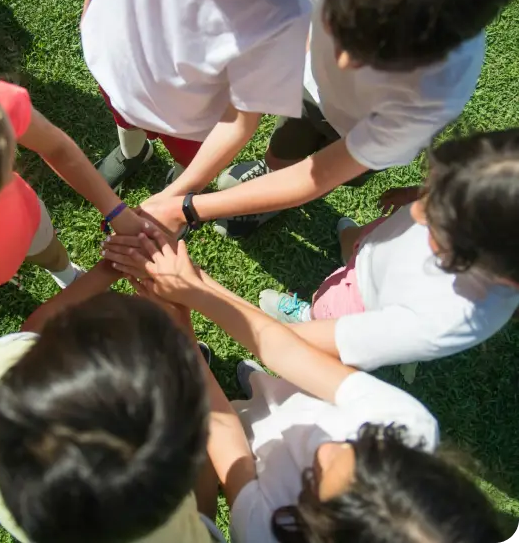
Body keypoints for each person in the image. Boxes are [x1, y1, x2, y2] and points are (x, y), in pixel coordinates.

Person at [101, 227, 506, 543]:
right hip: (289, 395)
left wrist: (177, 324)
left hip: (248, 439)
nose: (327, 448)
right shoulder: (407, 426)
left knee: (241, 415)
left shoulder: (264, 533)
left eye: (313, 478)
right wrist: (194, 288)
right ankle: (255, 387)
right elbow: (287, 352)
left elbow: (227, 439)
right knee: (266, 389)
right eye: (361, 443)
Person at [135, 0, 519, 237]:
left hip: (358, 133)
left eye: (379, 58)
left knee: (313, 174)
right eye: (340, 24)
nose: (343, 61)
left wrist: (186, 208)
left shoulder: (434, 96)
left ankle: (269, 204)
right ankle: (268, 178)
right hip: (309, 94)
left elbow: (316, 177)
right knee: (280, 152)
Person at [0, 260, 226, 543]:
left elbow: (30, 331)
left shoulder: (0, 386)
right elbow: (203, 509)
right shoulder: (181, 537)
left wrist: (109, 269)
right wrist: (186, 342)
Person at [252, 129, 519, 374]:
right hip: (381, 248)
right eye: (434, 192)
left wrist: (266, 335)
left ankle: (307, 317)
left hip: (360, 301)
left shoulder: (447, 318)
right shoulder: (489, 210)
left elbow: (342, 340)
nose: (416, 211)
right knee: (365, 241)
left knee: (325, 307)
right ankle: (352, 246)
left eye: (438, 218)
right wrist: (417, 193)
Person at [0, 51, 145, 331]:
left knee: (51, 253)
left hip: (24, 222)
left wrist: (116, 211)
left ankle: (67, 275)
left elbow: (57, 147)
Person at [81, 0, 311, 192]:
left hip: (189, 119)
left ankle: (178, 185)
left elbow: (241, 122)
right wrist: (90, 7)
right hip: (117, 74)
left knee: (188, 159)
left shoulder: (280, 7)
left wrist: (174, 197)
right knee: (125, 120)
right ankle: (132, 153)